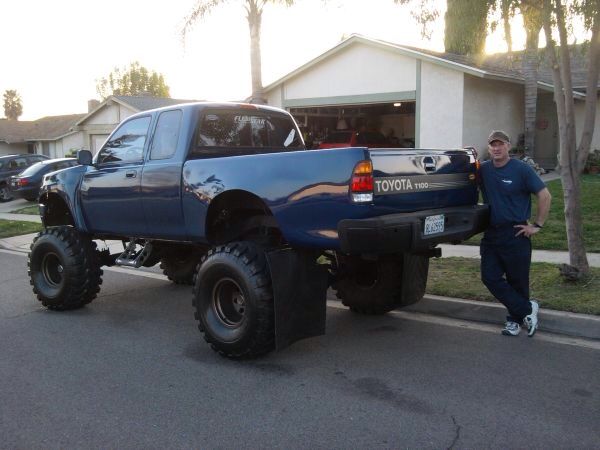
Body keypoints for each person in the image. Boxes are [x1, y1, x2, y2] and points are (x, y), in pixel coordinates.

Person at [479, 130, 552, 337]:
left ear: (508, 146)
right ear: (489, 147)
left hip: (516, 233)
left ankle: (514, 321)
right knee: (489, 277)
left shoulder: (521, 169)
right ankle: (528, 309)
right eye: (493, 145)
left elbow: (545, 196)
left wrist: (537, 225)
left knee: (517, 281)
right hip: (492, 234)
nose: (496, 148)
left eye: (500, 144)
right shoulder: (484, 170)